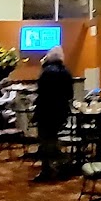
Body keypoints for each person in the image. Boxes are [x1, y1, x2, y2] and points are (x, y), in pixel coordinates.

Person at [32, 46, 73, 182]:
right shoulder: (66, 72)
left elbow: (41, 91)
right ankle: (62, 166)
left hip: (46, 110)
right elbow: (70, 94)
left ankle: (47, 170)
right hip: (60, 111)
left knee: (45, 140)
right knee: (53, 138)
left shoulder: (46, 72)